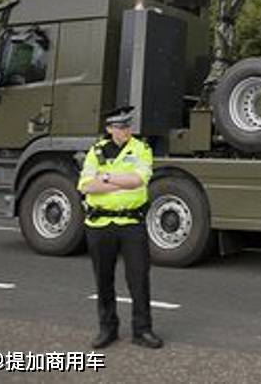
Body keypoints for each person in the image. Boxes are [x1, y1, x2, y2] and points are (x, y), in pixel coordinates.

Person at [78, 105, 163, 349]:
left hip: (130, 223)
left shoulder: (141, 148)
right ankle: (107, 329)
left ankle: (142, 330)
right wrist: (119, 182)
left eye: (127, 126)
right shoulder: (95, 151)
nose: (124, 130)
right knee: (103, 280)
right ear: (109, 129)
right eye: (119, 126)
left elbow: (138, 180)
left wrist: (104, 178)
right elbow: (84, 185)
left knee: (138, 278)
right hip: (99, 223)